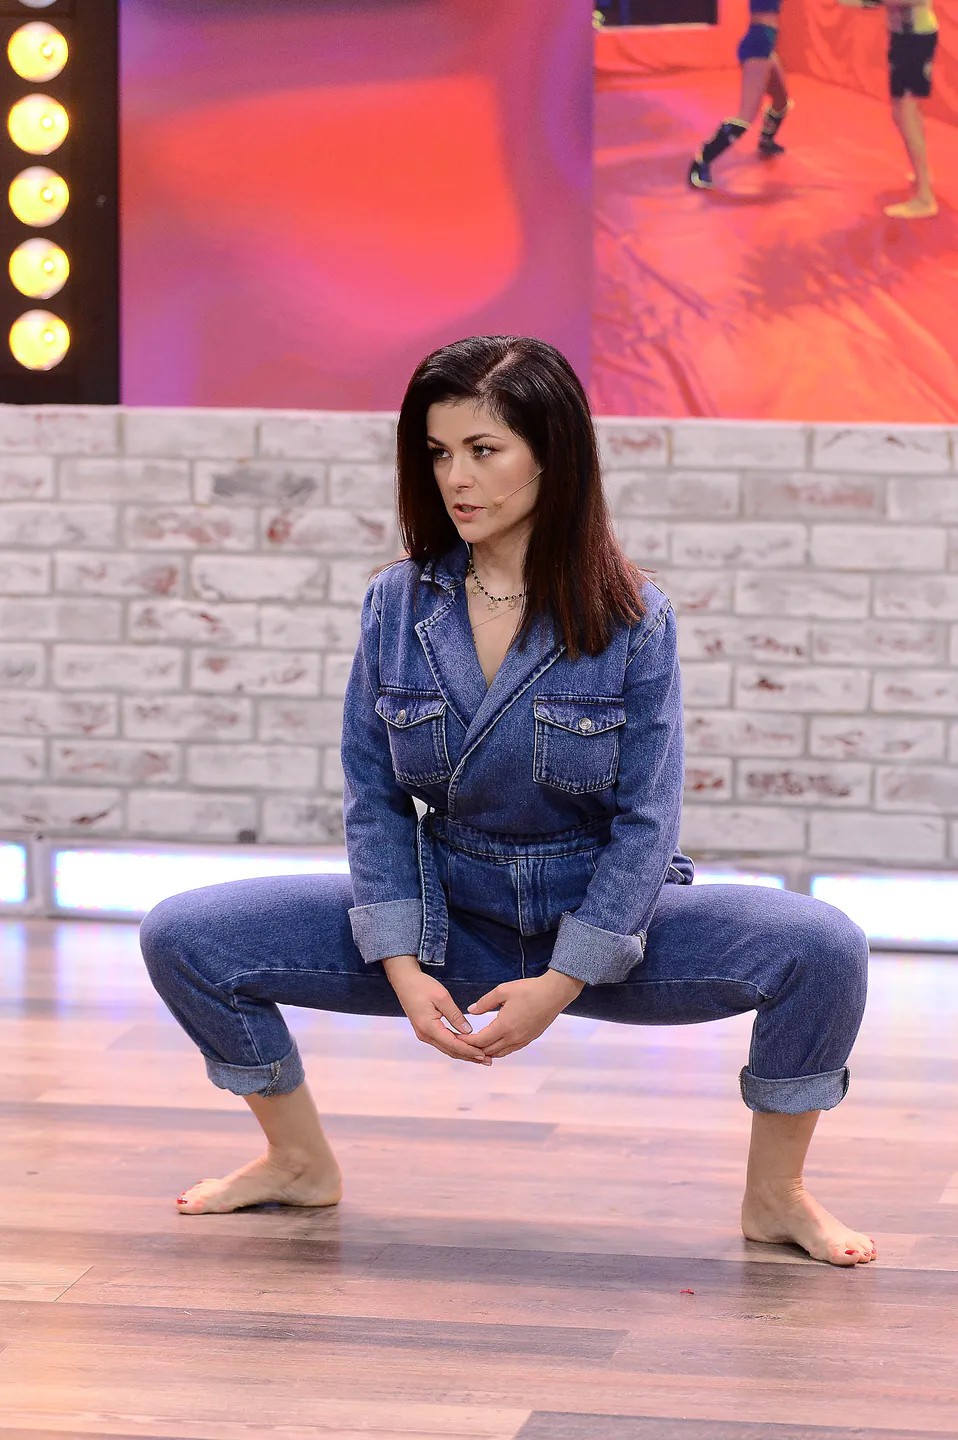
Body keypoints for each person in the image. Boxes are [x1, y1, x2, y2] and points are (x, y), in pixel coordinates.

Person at [139, 334, 875, 1268]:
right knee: (183, 935)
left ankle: (776, 1197)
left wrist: (565, 980)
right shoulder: (397, 603)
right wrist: (401, 962)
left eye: (483, 450)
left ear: (551, 455)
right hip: (447, 916)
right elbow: (374, 798)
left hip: (607, 926)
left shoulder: (633, 616)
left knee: (825, 946)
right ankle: (296, 1160)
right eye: (439, 452)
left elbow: (648, 822)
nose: (457, 478)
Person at [689, 0, 793, 190]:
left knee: (781, 100)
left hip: (765, 44)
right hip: (759, 44)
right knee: (746, 116)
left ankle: (766, 141)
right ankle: (702, 161)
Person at [881, 0, 939, 218]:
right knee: (905, 111)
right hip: (906, 36)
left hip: (914, 38)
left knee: (904, 112)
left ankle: (925, 198)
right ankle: (923, 175)